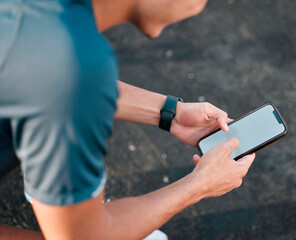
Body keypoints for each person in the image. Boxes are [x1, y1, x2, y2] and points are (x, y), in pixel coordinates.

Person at [0, 0, 256, 239]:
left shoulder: (40, 20)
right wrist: (198, 185)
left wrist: (172, 114)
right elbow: (83, 235)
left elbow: (47, 78)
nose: (199, 6)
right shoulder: (73, 63)